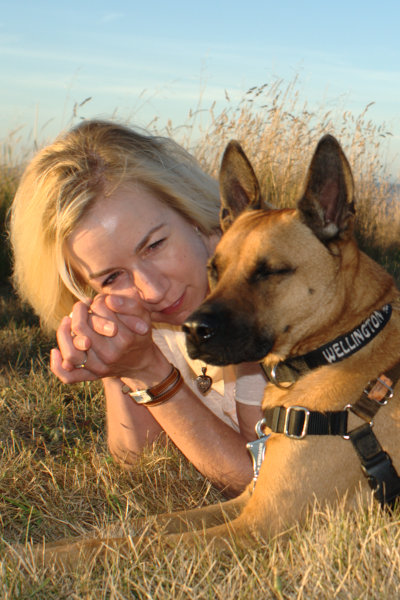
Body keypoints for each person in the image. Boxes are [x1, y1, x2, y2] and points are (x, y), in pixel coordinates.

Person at [10, 119, 266, 497]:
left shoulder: (264, 287)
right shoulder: (143, 314)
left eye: (155, 245)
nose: (152, 290)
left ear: (192, 214)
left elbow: (263, 481)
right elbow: (142, 464)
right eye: (112, 277)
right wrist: (119, 359)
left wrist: (152, 374)